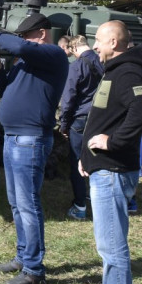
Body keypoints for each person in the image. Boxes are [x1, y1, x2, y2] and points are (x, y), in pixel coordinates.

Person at [0, 15, 70, 284]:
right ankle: (24, 257)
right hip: (14, 138)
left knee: (28, 205)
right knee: (17, 203)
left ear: (41, 34)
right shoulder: (27, 60)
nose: (20, 41)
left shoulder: (52, 54)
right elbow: (5, 90)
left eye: (24, 35)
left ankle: (33, 269)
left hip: (30, 139)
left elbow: (20, 48)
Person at [78, 20, 142, 284]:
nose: (95, 46)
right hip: (103, 168)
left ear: (114, 41)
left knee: (112, 247)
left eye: (99, 40)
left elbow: (141, 110)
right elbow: (105, 115)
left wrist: (111, 143)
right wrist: (87, 158)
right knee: (109, 244)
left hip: (113, 172)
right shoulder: (116, 69)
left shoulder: (127, 72)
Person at [59, 33, 104, 220]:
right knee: (99, 161)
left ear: (74, 48)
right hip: (101, 118)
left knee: (78, 162)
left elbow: (68, 98)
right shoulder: (104, 62)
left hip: (80, 119)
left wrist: (63, 124)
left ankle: (80, 206)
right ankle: (99, 200)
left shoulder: (76, 66)